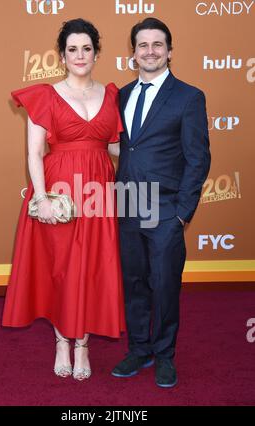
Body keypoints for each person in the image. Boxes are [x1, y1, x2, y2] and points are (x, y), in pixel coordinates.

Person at [2, 18, 125, 381]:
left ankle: (83, 345)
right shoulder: (45, 96)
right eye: (72, 49)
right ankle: (61, 341)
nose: (80, 55)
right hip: (59, 194)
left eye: (87, 48)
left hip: (99, 191)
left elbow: (116, 146)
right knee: (60, 268)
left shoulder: (113, 95)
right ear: (61, 55)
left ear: (97, 52)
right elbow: (34, 153)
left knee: (91, 266)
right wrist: (42, 200)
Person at [112, 18, 211, 387]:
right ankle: (139, 349)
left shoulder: (188, 96)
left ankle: (165, 354)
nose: (149, 51)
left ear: (169, 51)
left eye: (157, 45)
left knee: (166, 284)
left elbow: (198, 157)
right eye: (142, 45)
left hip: (166, 209)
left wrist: (183, 212)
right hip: (127, 205)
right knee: (134, 282)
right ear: (133, 53)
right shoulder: (120, 95)